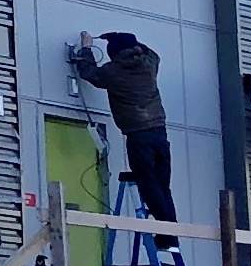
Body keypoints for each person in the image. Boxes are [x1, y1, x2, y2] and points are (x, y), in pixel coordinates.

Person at [70, 31, 174, 223]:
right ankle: (171, 236)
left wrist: (86, 48)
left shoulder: (113, 72)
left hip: (138, 135)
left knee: (148, 183)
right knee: (162, 184)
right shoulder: (148, 65)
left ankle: (166, 232)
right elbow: (152, 53)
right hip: (160, 131)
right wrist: (129, 39)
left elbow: (89, 72)